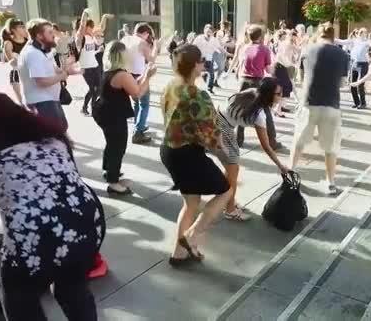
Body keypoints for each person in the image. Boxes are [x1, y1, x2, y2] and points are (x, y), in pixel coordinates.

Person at [0, 92, 105, 321]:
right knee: (73, 287)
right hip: (87, 219)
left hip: (35, 232)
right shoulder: (51, 135)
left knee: (17, 294)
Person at [160, 44, 231, 266]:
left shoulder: (171, 85)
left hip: (170, 150)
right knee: (225, 191)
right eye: (202, 61)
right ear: (195, 65)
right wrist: (223, 150)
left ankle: (178, 254)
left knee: (191, 202)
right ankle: (190, 238)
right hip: (187, 155)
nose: (204, 64)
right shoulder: (197, 94)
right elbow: (209, 132)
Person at [211, 77, 290, 221]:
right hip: (223, 129)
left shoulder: (251, 92)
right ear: (268, 95)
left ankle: (225, 200)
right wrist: (280, 165)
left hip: (216, 119)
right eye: (278, 94)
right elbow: (266, 146)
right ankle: (229, 209)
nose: (281, 96)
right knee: (233, 170)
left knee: (230, 169)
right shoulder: (259, 115)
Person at [291, 23, 349, 194]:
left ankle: (290, 174)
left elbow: (300, 78)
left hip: (309, 102)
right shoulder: (342, 54)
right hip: (331, 104)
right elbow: (342, 83)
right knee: (331, 147)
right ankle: (330, 182)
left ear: (318, 34)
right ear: (333, 36)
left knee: (298, 142)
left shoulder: (307, 50)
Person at [94, 41, 157, 195]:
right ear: (122, 55)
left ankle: (109, 171)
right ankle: (113, 182)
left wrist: (144, 75)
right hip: (112, 115)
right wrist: (148, 77)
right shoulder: (122, 74)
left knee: (111, 143)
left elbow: (132, 85)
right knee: (118, 146)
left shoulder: (111, 71)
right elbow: (137, 94)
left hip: (104, 112)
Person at [17, 19, 69, 131]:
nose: (53, 35)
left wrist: (62, 69)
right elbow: (41, 82)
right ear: (39, 35)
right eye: (49, 32)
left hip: (49, 99)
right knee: (55, 134)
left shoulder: (43, 49)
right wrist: (62, 75)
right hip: (41, 102)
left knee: (62, 128)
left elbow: (52, 67)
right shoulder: (32, 53)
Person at [235, 25, 280, 149]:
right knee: (266, 110)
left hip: (244, 81)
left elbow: (240, 64)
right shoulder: (264, 49)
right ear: (260, 36)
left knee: (242, 110)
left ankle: (239, 140)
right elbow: (268, 69)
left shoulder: (244, 48)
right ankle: (272, 141)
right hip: (257, 81)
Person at [125, 22, 162, 144]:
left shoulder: (125, 39)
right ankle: (138, 131)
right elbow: (152, 59)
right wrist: (156, 46)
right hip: (139, 76)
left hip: (126, 75)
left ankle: (138, 125)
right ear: (145, 33)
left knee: (136, 103)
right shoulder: (142, 43)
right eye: (148, 35)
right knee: (144, 104)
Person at [75, 9, 112, 116]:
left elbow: (102, 28)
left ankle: (93, 107)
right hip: (85, 68)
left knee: (99, 89)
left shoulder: (91, 36)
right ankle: (84, 107)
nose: (92, 29)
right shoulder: (80, 37)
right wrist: (84, 14)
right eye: (90, 27)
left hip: (94, 65)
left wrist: (104, 17)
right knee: (92, 89)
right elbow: (82, 26)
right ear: (86, 27)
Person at [336, 28, 371, 109]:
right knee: (352, 85)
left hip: (363, 64)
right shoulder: (354, 40)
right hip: (354, 64)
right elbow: (342, 41)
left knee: (360, 85)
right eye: (361, 32)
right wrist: (333, 39)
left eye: (364, 32)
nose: (362, 33)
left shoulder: (367, 41)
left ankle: (363, 103)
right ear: (359, 33)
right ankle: (357, 102)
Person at [193, 24, 226, 94]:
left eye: (210, 32)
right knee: (196, 75)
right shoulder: (199, 38)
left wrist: (226, 53)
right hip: (200, 59)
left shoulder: (214, 40)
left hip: (209, 60)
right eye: (207, 31)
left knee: (212, 75)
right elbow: (193, 46)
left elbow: (220, 48)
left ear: (212, 32)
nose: (208, 33)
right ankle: (194, 88)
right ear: (204, 31)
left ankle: (209, 88)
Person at [1, 19, 27, 104]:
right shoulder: (8, 43)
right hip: (17, 74)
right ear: (13, 30)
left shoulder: (28, 41)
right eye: (21, 27)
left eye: (24, 26)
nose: (24, 28)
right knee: (23, 101)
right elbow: (12, 62)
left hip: (31, 73)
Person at [273, 30, 298, 116]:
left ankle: (278, 109)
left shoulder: (283, 43)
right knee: (286, 87)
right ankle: (277, 109)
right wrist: (291, 64)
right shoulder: (284, 44)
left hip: (280, 66)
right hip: (280, 66)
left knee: (284, 87)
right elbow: (281, 56)